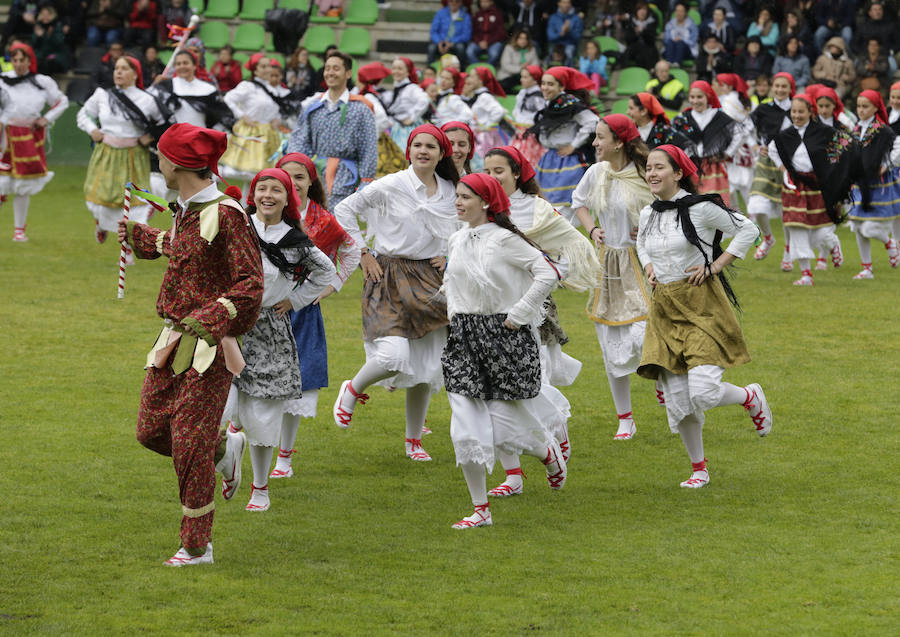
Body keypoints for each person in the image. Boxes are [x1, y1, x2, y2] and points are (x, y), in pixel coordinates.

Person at [117, 122, 264, 566]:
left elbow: (250, 284)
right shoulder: (186, 210)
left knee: (188, 442)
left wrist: (210, 318)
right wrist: (145, 238)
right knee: (150, 430)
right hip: (172, 337)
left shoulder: (229, 214)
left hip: (210, 346)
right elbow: (189, 252)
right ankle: (223, 450)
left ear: (176, 164)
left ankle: (197, 546)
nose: (157, 164)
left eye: (160, 157)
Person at [636, 144, 771, 489]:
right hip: (664, 309)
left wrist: (715, 265)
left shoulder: (701, 208)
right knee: (680, 401)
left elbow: (748, 229)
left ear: (678, 173)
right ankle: (699, 469)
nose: (651, 173)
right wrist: (649, 266)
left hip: (701, 306)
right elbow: (641, 244)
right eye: (648, 168)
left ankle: (749, 397)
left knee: (704, 392)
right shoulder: (648, 213)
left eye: (659, 167)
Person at [443, 172, 567, 528]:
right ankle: (480, 509)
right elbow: (450, 280)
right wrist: (454, 315)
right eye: (457, 196)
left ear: (486, 202)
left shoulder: (506, 240)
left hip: (505, 336)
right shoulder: (456, 238)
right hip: (464, 338)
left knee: (501, 423)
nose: (458, 202)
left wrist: (519, 314)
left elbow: (548, 273)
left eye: (466, 197)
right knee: (464, 428)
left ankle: (546, 451)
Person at [332, 125, 459, 463]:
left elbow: (466, 229)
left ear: (441, 153)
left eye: (431, 146)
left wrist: (449, 256)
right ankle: (352, 388)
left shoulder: (451, 190)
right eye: (417, 145)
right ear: (408, 150)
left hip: (430, 281)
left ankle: (413, 441)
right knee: (393, 357)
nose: (423, 151)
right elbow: (343, 210)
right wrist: (363, 252)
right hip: (387, 275)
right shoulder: (391, 184)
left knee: (425, 369)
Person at [482, 145, 600, 494]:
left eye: (499, 171)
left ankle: (556, 429)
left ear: (517, 174)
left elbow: (570, 252)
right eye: (487, 171)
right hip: (486, 310)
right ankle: (513, 476)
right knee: (492, 391)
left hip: (530, 312)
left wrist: (540, 277)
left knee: (531, 385)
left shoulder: (537, 209)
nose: (492, 177)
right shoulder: (480, 208)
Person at [224, 168, 335, 511]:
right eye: (262, 188)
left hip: (269, 333)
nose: (267, 195)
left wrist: (295, 300)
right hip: (229, 327)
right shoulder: (238, 227)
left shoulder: (295, 242)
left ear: (288, 198)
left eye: (276, 190)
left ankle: (260, 489)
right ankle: (227, 458)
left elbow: (326, 272)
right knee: (218, 407)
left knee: (263, 414)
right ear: (253, 194)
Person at [267, 153, 359, 479]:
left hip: (302, 314)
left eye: (300, 177)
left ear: (311, 181)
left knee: (298, 385)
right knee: (254, 381)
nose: (293, 183)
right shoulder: (264, 213)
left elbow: (351, 250)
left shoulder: (323, 220)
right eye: (286, 177)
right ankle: (239, 439)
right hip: (263, 312)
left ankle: (284, 458)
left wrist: (330, 287)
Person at [573, 115, 655, 440]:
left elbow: (669, 207)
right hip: (607, 267)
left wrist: (648, 229)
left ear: (619, 142)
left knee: (644, 335)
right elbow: (578, 202)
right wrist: (592, 228)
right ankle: (625, 418)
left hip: (642, 264)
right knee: (610, 346)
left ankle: (661, 375)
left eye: (600, 137)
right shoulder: (596, 172)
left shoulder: (646, 173)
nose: (594, 143)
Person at [77, 55, 167, 250]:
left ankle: (128, 249)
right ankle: (101, 223)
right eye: (117, 68)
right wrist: (93, 130)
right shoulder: (103, 95)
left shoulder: (147, 100)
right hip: (106, 154)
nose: (118, 72)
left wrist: (150, 136)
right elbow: (84, 114)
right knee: (101, 197)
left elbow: (165, 122)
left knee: (134, 202)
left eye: (124, 68)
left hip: (134, 156)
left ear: (135, 74)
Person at [768, 93, 857, 286]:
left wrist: (835, 169)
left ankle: (833, 244)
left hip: (819, 186)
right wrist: (784, 169)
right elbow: (773, 149)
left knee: (821, 233)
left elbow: (847, 144)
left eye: (801, 111)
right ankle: (806, 274)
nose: (797, 115)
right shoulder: (785, 136)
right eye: (794, 111)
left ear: (810, 112)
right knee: (796, 227)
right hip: (794, 187)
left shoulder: (824, 132)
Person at [286, 51, 378, 209]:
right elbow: (300, 140)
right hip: (315, 176)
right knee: (312, 219)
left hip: (347, 177)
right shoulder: (313, 107)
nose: (330, 72)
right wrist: (296, 169)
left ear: (348, 73)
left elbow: (368, 147)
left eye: (336, 68)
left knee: (339, 219)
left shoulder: (361, 109)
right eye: (327, 68)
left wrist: (366, 180)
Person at [0, 43, 68, 243]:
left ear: (30, 61)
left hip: (28, 137)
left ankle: (19, 230)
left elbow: (61, 101)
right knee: (2, 183)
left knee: (24, 184)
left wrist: (46, 118)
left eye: (22, 60)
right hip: (5, 136)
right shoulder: (3, 80)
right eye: (15, 60)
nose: (18, 64)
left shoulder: (41, 82)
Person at [531, 66, 599, 224]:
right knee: (548, 200)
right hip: (551, 158)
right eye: (543, 83)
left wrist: (573, 145)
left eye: (550, 84)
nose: (545, 87)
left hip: (567, 159)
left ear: (561, 87)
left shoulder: (570, 104)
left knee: (564, 201)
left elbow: (592, 122)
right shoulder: (552, 104)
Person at [846, 90, 900, 278]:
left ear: (876, 108)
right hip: (859, 183)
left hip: (878, 185)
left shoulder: (883, 130)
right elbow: (840, 150)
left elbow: (897, 147)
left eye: (865, 106)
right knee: (857, 226)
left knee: (869, 228)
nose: (861, 110)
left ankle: (890, 243)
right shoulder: (855, 129)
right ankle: (867, 268)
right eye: (859, 106)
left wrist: (887, 164)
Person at [218, 57, 287, 192]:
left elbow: (277, 111)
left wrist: (277, 119)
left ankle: (249, 202)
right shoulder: (248, 86)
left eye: (269, 66)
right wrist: (242, 115)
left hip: (268, 135)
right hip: (250, 133)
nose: (267, 70)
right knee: (241, 171)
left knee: (261, 176)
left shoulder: (274, 90)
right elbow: (228, 99)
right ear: (255, 70)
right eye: (263, 67)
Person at [670, 80, 741, 206]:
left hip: (713, 167)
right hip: (690, 167)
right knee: (692, 203)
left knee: (714, 204)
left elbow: (738, 135)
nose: (695, 101)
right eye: (692, 97)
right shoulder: (682, 119)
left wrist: (727, 153)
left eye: (699, 97)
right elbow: (673, 138)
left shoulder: (719, 117)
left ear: (708, 97)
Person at [747, 72, 794, 264]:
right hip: (766, 163)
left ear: (790, 88)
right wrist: (755, 146)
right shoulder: (763, 108)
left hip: (790, 164)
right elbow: (744, 128)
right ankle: (768, 238)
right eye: (777, 86)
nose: (780, 90)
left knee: (787, 212)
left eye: (784, 86)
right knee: (756, 206)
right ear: (772, 87)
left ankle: (789, 252)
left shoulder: (797, 108)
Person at [715, 73, 755, 208]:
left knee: (733, 187)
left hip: (734, 148)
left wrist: (727, 150)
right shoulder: (741, 99)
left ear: (728, 86)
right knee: (745, 187)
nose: (716, 87)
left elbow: (731, 128)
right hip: (744, 148)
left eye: (719, 84)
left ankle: (739, 217)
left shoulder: (728, 101)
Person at [379, 57, 431, 154]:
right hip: (395, 129)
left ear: (408, 72)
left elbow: (424, 100)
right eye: (394, 68)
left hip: (406, 131)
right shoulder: (396, 88)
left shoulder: (412, 88)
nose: (396, 71)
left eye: (400, 68)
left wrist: (412, 117)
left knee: (403, 155)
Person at [461, 66, 508, 162]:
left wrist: (485, 127)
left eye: (472, 77)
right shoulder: (479, 96)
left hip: (483, 139)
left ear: (480, 80)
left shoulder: (485, 96)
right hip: (478, 136)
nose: (468, 79)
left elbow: (499, 111)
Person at [428, 0, 472, 66]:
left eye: (457, 1)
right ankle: (430, 69)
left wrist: (451, 43)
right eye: (451, 1)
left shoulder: (465, 16)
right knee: (431, 48)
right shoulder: (440, 13)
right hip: (441, 41)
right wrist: (439, 42)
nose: (454, 3)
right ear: (448, 2)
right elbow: (433, 31)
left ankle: (461, 69)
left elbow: (466, 35)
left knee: (460, 48)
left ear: (461, 3)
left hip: (456, 42)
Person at [498, 28, 541, 95]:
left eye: (525, 39)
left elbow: (536, 65)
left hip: (526, 75)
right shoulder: (509, 48)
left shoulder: (532, 49)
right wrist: (521, 67)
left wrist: (526, 70)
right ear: (516, 39)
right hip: (509, 75)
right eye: (521, 38)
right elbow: (505, 65)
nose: (523, 41)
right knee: (503, 85)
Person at [31, 5, 71, 75]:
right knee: (36, 61)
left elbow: (59, 43)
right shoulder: (38, 26)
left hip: (56, 54)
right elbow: (34, 44)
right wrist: (38, 37)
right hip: (41, 55)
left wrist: (49, 36)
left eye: (47, 14)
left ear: (52, 15)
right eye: (43, 14)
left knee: (49, 62)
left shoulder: (57, 26)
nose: (45, 17)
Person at [619, 2, 659, 70]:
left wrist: (644, 31)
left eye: (644, 9)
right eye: (640, 9)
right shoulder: (631, 23)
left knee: (642, 54)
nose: (642, 12)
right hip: (634, 50)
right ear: (636, 11)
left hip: (648, 50)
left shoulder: (651, 23)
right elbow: (628, 40)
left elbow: (652, 40)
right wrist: (635, 33)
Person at [467, 0, 507, 67]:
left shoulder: (497, 14)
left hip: (493, 42)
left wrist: (488, 42)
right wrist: (479, 41)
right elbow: (474, 31)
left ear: (491, 2)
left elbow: (501, 33)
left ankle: (487, 69)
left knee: (494, 54)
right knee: (469, 51)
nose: (483, 4)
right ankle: (477, 69)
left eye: (486, 2)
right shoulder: (478, 14)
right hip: (479, 42)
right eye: (482, 2)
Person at [546, 0, 583, 66]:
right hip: (556, 44)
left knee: (568, 53)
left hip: (569, 44)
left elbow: (578, 37)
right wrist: (560, 34)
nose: (566, 5)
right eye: (564, 2)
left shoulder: (576, 18)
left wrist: (569, 31)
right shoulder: (553, 17)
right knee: (551, 54)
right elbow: (550, 37)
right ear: (559, 3)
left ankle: (567, 71)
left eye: (568, 2)